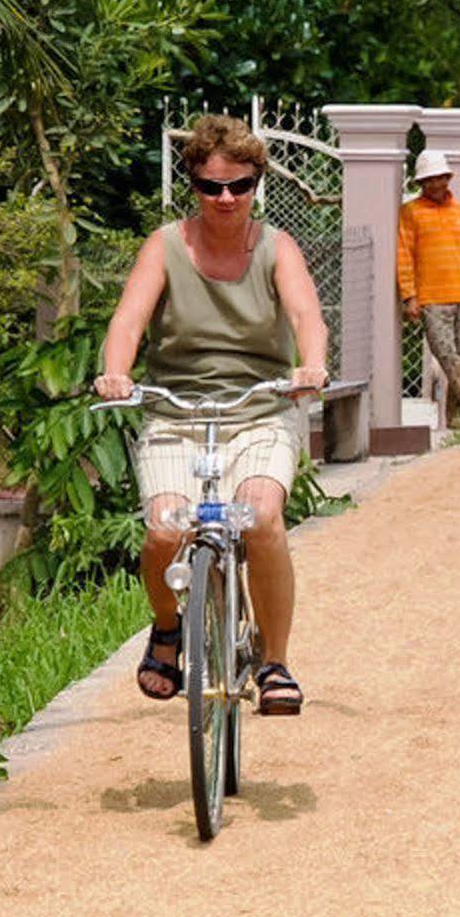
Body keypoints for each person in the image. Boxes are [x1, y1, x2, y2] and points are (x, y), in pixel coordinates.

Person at [95, 115, 330, 714]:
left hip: (258, 411)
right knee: (165, 529)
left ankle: (275, 661)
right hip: (176, 412)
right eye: (211, 187)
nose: (226, 199)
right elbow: (128, 321)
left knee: (262, 519)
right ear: (193, 186)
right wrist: (117, 371)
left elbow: (307, 317)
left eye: (240, 185)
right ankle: (168, 629)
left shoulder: (278, 248)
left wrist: (312, 365)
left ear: (257, 184)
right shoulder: (166, 246)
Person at [398, 148, 460, 428]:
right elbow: (404, 254)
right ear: (421, 183)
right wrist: (409, 296)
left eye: (439, 178)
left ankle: (455, 418)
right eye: (429, 180)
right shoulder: (410, 213)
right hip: (431, 299)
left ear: (447, 178)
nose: (435, 184)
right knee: (448, 356)